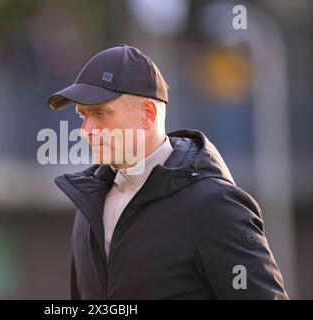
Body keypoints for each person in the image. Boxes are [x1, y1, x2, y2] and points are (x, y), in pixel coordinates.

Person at [47, 44, 288, 299]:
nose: (86, 129)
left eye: (100, 113)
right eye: (83, 115)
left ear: (148, 115)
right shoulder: (89, 205)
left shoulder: (215, 206)